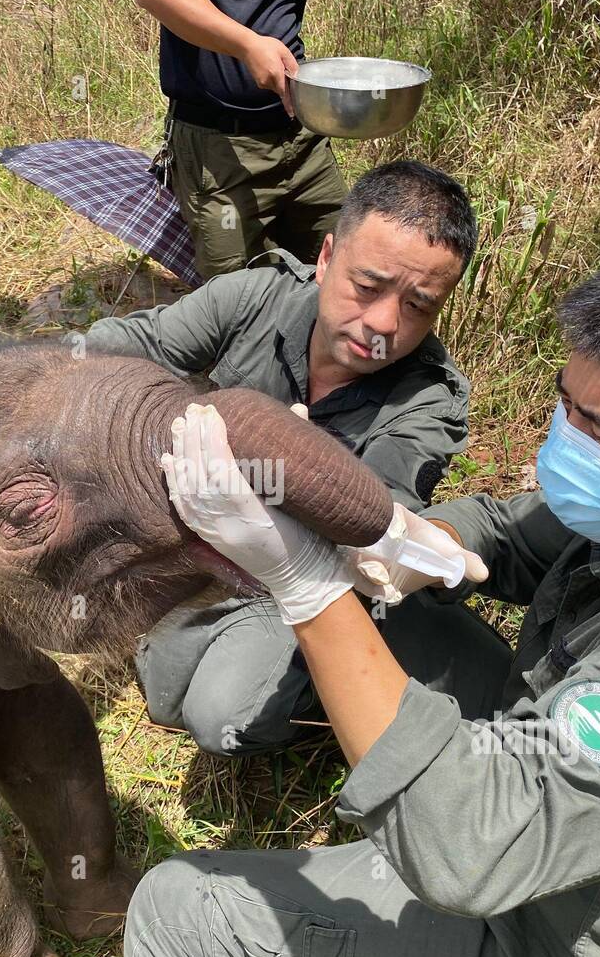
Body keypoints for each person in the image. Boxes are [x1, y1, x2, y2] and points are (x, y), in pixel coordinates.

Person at [127, 239, 600, 957]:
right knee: (398, 616)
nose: (563, 437)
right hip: (545, 843)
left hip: (548, 939)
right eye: (566, 402)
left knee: (181, 906)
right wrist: (407, 540)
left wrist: (310, 585)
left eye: (596, 427)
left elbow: (469, 850)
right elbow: (511, 532)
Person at [86, 161, 482, 756]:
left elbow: (374, 524)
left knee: (223, 714)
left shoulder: (427, 402)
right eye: (367, 286)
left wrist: (295, 476)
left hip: (301, 581)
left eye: (418, 307)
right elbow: (137, 343)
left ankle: (357, 689)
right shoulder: (258, 295)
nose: (381, 325)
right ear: (325, 257)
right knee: (164, 688)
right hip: (204, 544)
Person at [134, 0, 348, 279]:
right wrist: (247, 46)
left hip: (304, 138)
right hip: (220, 153)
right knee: (237, 298)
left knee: (341, 271)